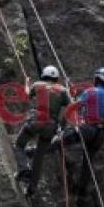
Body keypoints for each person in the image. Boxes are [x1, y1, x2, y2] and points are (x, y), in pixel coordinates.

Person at [52, 68, 104, 194]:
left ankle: (32, 152)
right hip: (100, 135)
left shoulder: (91, 92)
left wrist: (61, 127)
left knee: (59, 141)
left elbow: (72, 108)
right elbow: (97, 108)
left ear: (97, 79)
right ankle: (82, 191)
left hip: (88, 129)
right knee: (88, 162)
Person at [15, 66, 71, 196]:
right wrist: (61, 126)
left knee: (19, 145)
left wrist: (27, 83)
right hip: (51, 126)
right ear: (56, 78)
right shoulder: (62, 90)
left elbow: (27, 95)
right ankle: (31, 189)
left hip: (36, 121)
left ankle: (23, 170)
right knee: (38, 158)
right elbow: (72, 107)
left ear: (44, 75)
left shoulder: (38, 84)